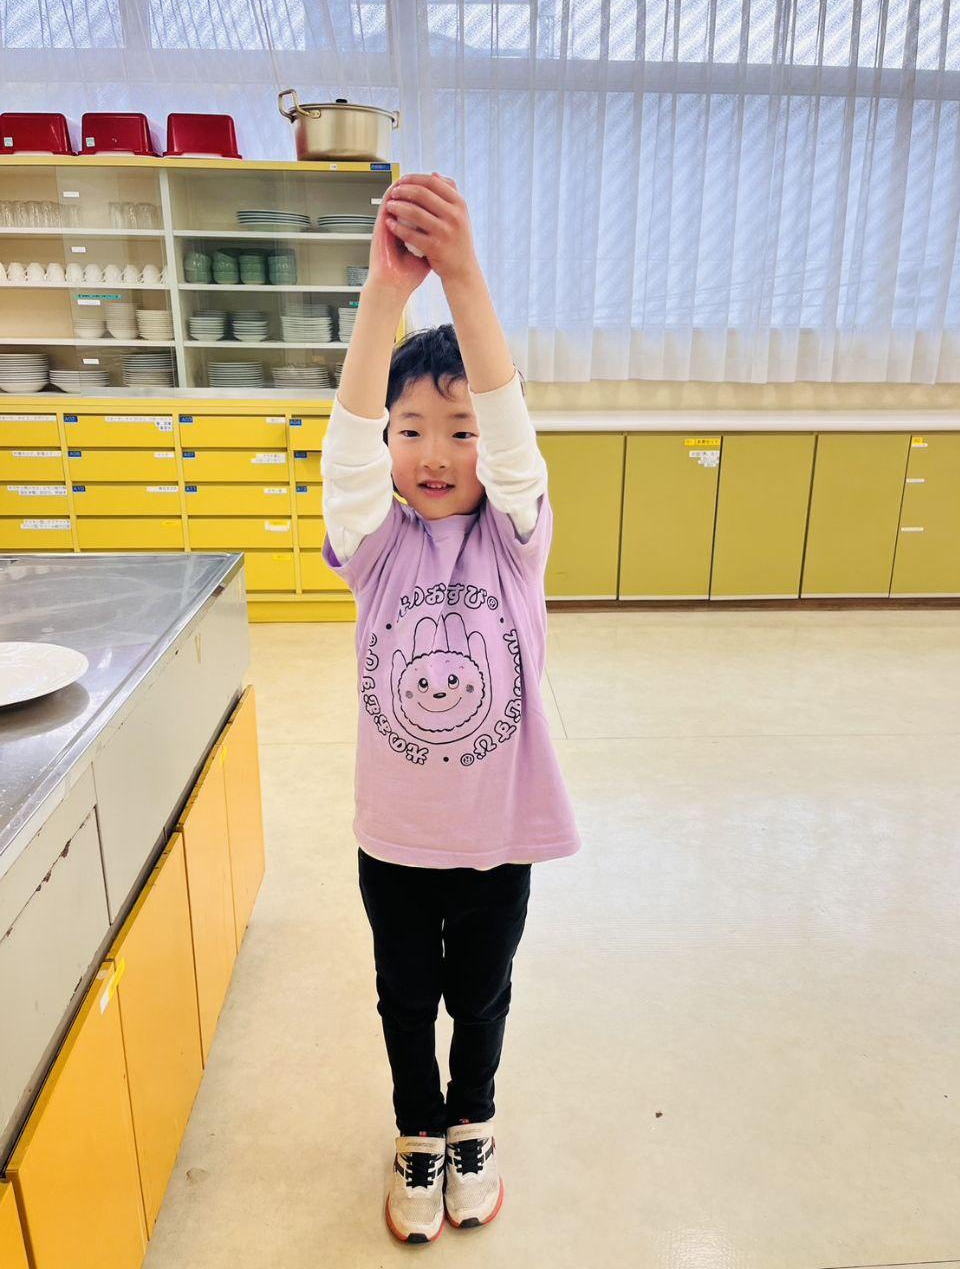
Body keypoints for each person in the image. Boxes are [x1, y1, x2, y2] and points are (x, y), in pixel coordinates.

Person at [321, 172, 581, 1245]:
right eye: (413, 429)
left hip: (496, 836)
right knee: (402, 997)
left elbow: (517, 446)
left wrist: (463, 279)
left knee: (481, 994)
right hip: (396, 839)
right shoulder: (373, 546)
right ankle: (417, 1133)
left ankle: (472, 1122)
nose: (435, 453)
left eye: (460, 431)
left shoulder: (515, 545)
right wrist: (385, 296)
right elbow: (344, 453)